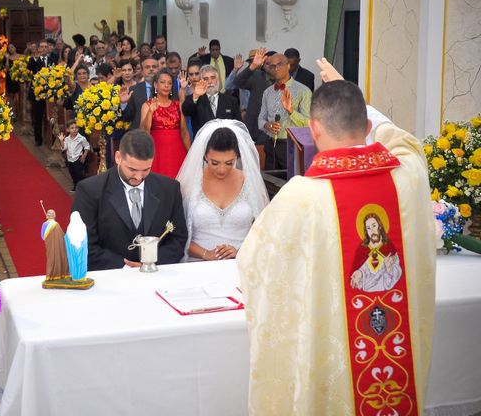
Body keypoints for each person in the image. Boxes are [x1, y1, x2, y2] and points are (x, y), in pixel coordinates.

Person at [237, 59, 436, 415]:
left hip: (338, 358)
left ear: (313, 129)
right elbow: (403, 141)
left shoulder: (301, 197)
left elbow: (255, 266)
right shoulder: (408, 177)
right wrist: (351, 91)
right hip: (394, 349)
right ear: (366, 124)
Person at [72, 129, 188, 271]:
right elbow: (83, 243)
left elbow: (178, 239)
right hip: (109, 277)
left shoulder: (170, 189)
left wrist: (150, 264)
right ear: (118, 157)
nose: (139, 177)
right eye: (132, 169)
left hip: (156, 275)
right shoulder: (90, 190)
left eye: (146, 170)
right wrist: (125, 268)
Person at [177, 120, 268, 262]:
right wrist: (206, 254)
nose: (221, 169)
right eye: (214, 163)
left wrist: (241, 252)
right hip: (198, 265)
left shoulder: (250, 182)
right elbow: (176, 234)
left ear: (237, 157)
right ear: (205, 156)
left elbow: (264, 231)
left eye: (229, 163)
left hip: (241, 263)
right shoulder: (189, 184)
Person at [257, 52, 312, 170]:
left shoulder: (303, 91)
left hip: (291, 145)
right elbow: (260, 119)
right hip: (270, 144)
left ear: (288, 66)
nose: (276, 68)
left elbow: (308, 123)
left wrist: (290, 111)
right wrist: (267, 125)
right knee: (270, 182)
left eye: (279, 64)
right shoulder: (267, 92)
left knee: (290, 183)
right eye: (272, 66)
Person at [140, 69, 190, 178]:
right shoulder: (147, 105)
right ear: (155, 84)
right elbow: (144, 132)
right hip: (157, 151)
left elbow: (184, 132)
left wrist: (191, 154)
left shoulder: (177, 105)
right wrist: (150, 113)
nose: (166, 85)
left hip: (177, 151)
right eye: (162, 82)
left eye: (169, 83)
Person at [181, 65, 241, 136]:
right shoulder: (195, 98)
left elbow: (239, 127)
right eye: (206, 79)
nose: (210, 81)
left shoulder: (231, 101)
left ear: (218, 80)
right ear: (201, 81)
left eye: (213, 78)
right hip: (203, 145)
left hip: (227, 144)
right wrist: (195, 95)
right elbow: (186, 111)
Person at [58, 121, 90, 191]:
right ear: (67, 130)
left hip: (78, 159)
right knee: (72, 173)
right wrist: (61, 141)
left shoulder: (81, 138)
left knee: (78, 173)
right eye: (72, 128)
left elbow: (87, 147)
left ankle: (81, 187)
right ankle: (76, 185)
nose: (74, 129)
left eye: (76, 128)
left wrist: (84, 156)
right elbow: (64, 148)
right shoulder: (66, 139)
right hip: (69, 159)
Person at [41, 209, 69, 282]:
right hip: (56, 246)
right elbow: (62, 236)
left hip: (49, 244)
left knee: (51, 258)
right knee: (58, 257)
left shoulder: (45, 224)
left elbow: (42, 236)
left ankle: (51, 275)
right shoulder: (56, 224)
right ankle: (60, 274)